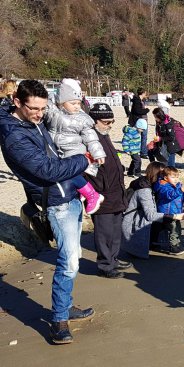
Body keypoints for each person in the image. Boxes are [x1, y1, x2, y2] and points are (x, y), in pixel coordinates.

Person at [0, 80, 95, 344]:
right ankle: (58, 320)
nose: (39, 114)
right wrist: (82, 160)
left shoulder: (30, 120)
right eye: (34, 108)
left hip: (69, 195)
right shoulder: (14, 136)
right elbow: (47, 171)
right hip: (56, 203)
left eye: (43, 108)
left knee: (73, 257)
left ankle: (64, 307)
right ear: (18, 103)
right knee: (69, 263)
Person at [84, 103, 133, 279]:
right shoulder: (89, 138)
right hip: (101, 194)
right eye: (106, 122)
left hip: (116, 191)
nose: (110, 125)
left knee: (115, 231)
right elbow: (87, 169)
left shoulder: (105, 135)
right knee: (104, 233)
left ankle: (113, 258)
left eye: (111, 121)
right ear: (94, 120)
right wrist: (98, 190)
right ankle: (105, 265)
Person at [45, 78, 106, 214]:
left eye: (79, 103)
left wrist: (98, 153)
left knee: (69, 173)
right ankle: (83, 193)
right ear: (61, 102)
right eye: (73, 103)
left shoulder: (82, 118)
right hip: (57, 150)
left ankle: (92, 194)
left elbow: (91, 138)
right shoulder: (54, 112)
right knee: (65, 174)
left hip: (74, 151)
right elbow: (45, 108)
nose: (77, 106)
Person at [122, 162, 184, 258]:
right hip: (132, 226)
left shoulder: (153, 185)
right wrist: (175, 216)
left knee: (165, 217)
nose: (164, 177)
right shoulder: (144, 189)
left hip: (137, 217)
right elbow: (150, 215)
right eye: (162, 174)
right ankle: (148, 243)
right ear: (156, 174)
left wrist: (180, 209)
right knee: (169, 221)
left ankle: (154, 241)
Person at [153, 166, 184, 255]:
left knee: (177, 228)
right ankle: (173, 246)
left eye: (177, 177)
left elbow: (181, 195)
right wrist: (180, 190)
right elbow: (169, 195)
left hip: (176, 212)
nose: (175, 179)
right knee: (173, 229)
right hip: (168, 212)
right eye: (173, 177)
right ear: (166, 178)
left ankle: (177, 244)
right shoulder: (163, 186)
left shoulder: (177, 185)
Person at [130, 87, 150, 158]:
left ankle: (143, 151)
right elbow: (138, 111)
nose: (146, 94)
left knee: (143, 137)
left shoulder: (140, 100)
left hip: (143, 121)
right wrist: (147, 110)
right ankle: (142, 152)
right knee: (138, 137)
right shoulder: (137, 100)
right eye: (145, 93)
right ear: (143, 93)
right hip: (139, 121)